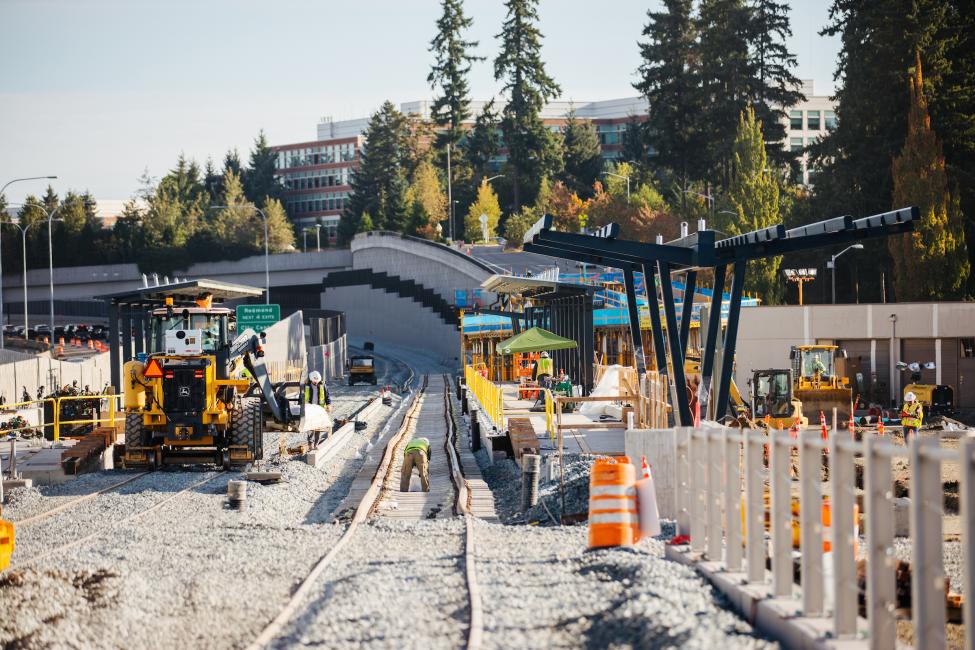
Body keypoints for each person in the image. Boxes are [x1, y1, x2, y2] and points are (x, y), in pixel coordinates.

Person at [302, 370, 332, 449]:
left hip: (319, 409)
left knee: (318, 427)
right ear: (311, 379)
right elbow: (301, 396)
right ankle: (310, 443)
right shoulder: (306, 385)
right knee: (310, 427)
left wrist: (329, 404)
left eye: (317, 381)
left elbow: (327, 396)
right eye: (314, 381)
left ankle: (316, 444)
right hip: (309, 409)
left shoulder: (322, 385)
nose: (316, 383)